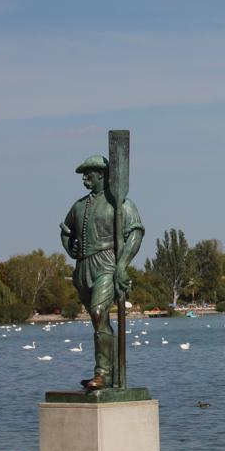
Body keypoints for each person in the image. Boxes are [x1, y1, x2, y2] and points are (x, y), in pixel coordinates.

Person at [60, 155, 144, 390]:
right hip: (83, 268)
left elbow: (135, 234)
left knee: (98, 313)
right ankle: (112, 374)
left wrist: (122, 265)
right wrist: (70, 247)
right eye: (84, 173)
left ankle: (102, 373)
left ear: (103, 175)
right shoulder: (78, 206)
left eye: (90, 172)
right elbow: (66, 231)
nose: (85, 177)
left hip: (107, 264)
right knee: (100, 323)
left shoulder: (121, 204)